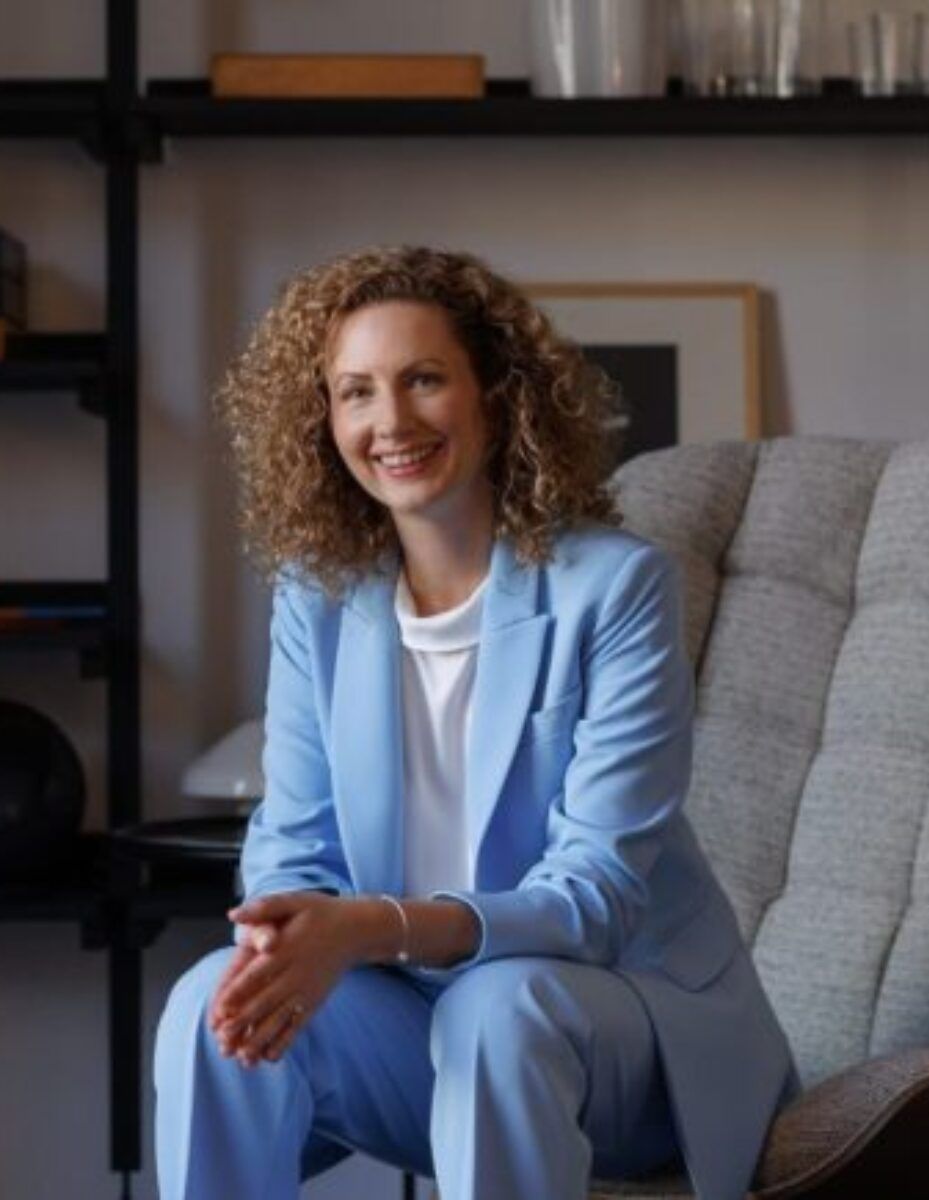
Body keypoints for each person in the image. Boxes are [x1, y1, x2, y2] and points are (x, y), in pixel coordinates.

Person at [153, 245, 798, 1200]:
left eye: (423, 379)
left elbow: (594, 897)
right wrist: (287, 940)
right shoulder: (316, 600)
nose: (390, 421)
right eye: (356, 392)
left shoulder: (614, 588)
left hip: (628, 1026)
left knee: (496, 1008)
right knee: (208, 1005)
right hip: (423, 1023)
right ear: (324, 420)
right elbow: (293, 840)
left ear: (495, 395)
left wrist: (368, 929)